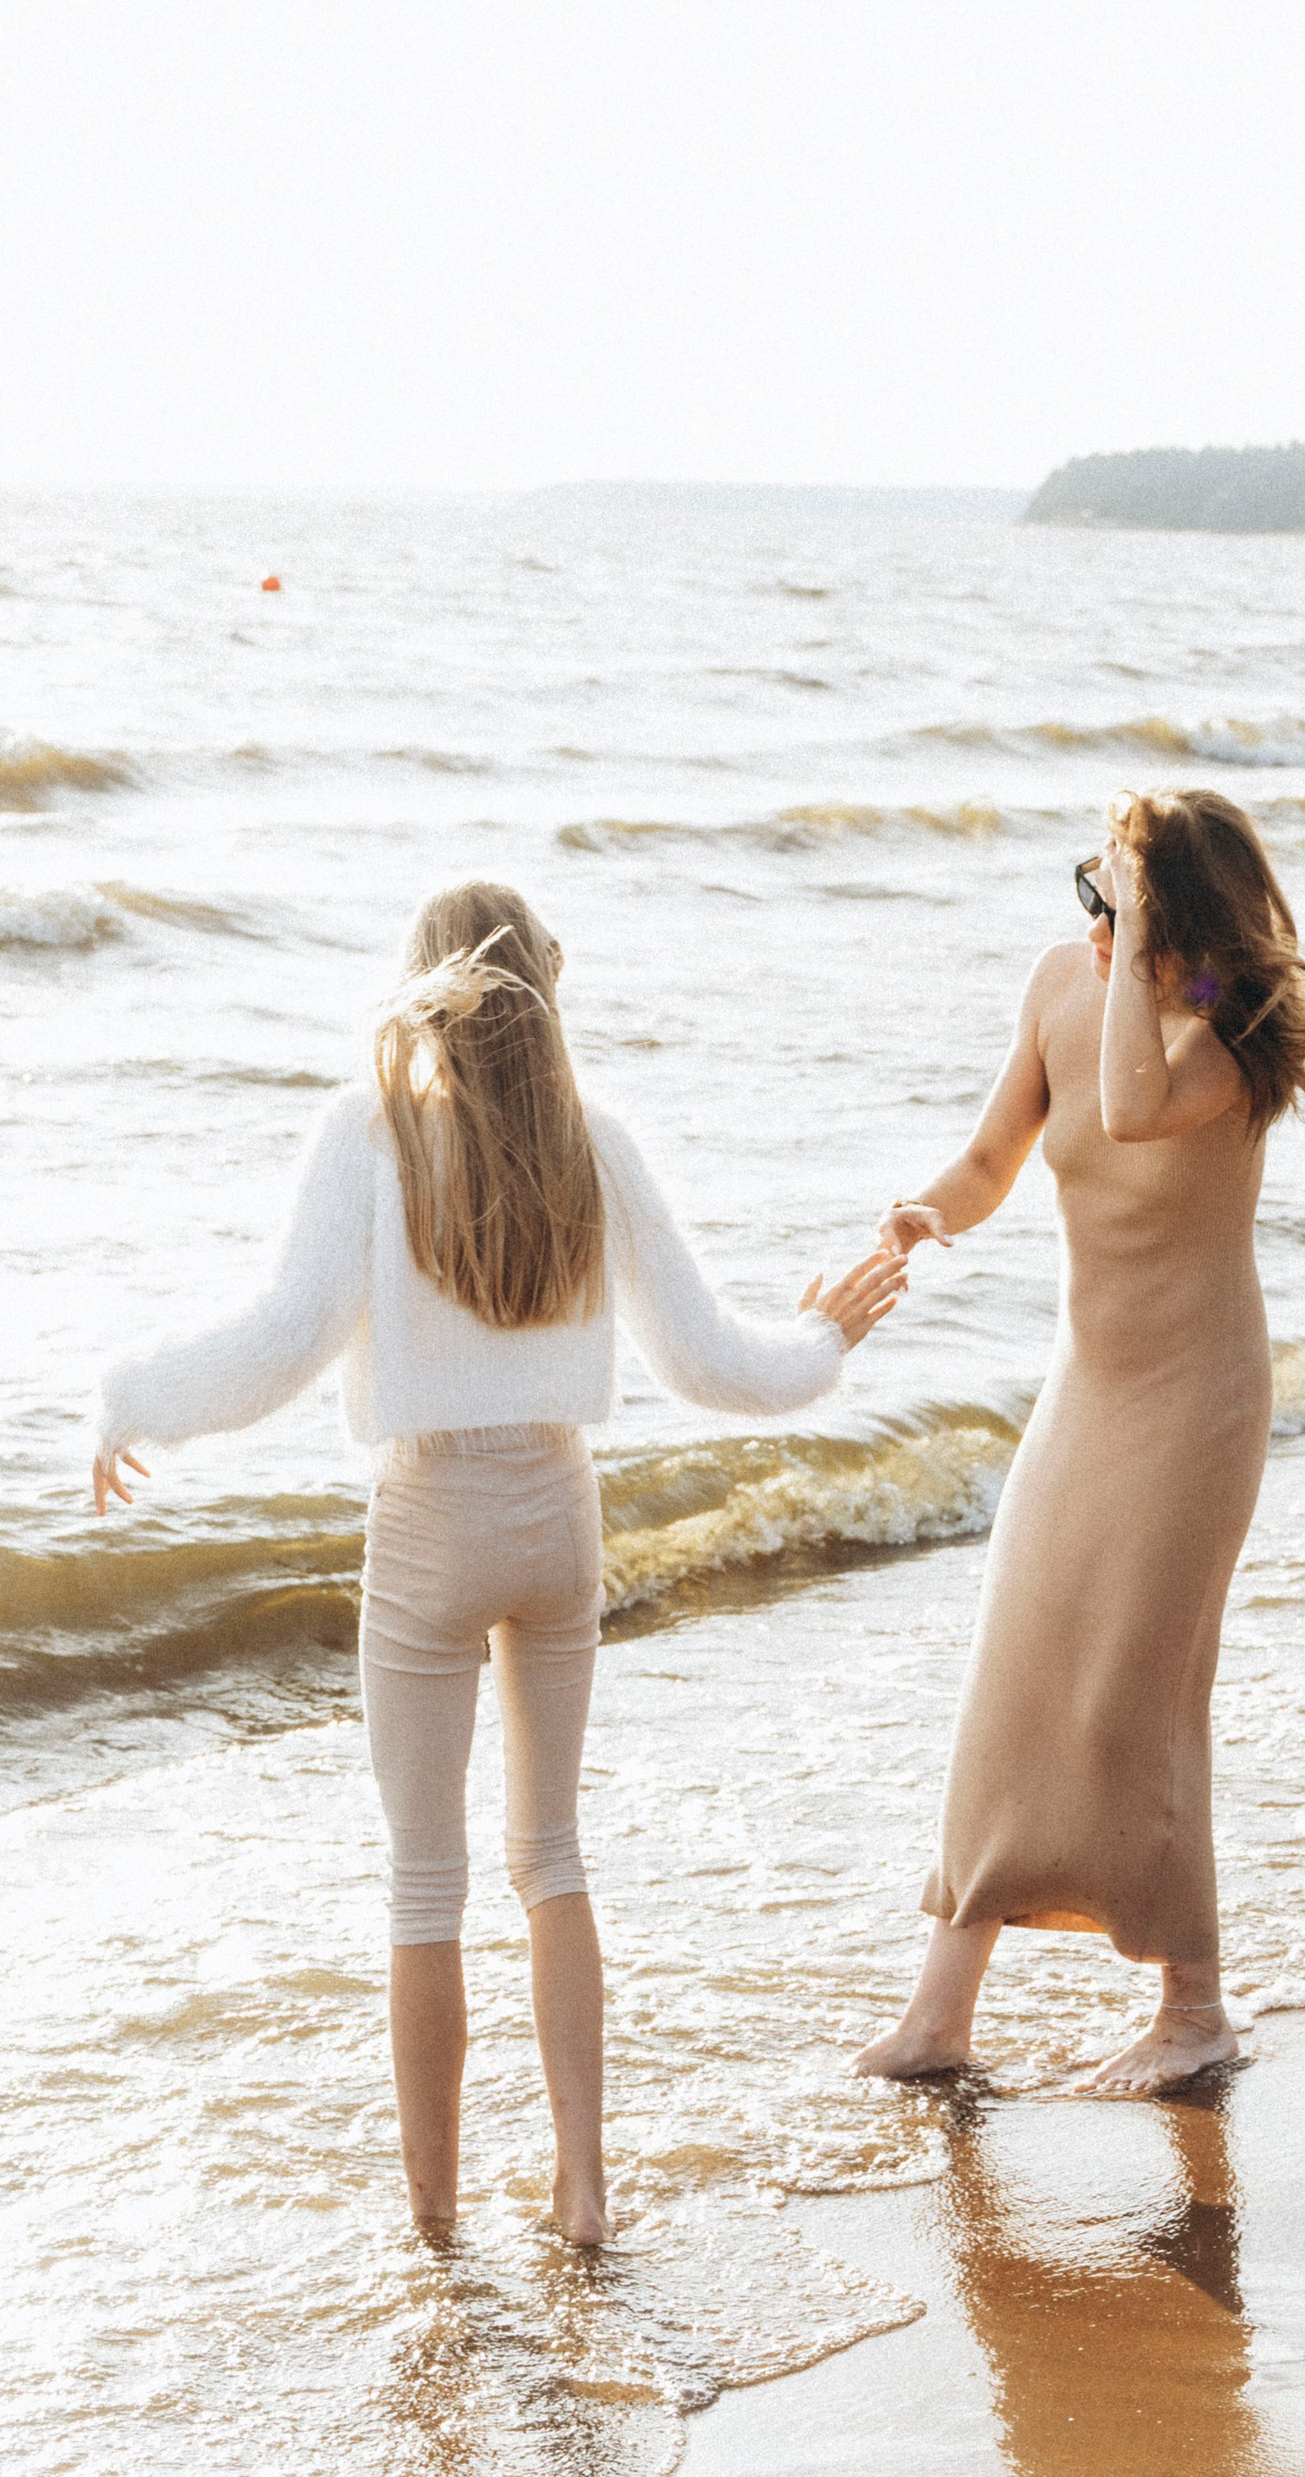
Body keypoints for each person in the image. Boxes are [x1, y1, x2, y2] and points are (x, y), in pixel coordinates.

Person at [93, 878, 905, 2243]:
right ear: (545, 990)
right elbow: (710, 1361)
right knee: (552, 1854)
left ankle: (434, 2225)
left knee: (426, 1879)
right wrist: (824, 1342)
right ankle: (584, 2188)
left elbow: (283, 1340)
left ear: (424, 986)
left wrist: (130, 1396)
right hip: (557, 1515)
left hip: (428, 1524)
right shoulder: (597, 1141)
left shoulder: (369, 1133)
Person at [853, 789, 1305, 2095]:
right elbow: (995, 1154)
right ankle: (940, 2019)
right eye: (1087, 893)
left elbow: (1128, 1110)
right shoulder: (1067, 987)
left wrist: (1137, 942)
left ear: (1178, 914)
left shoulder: (1231, 1023)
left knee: (1145, 1699)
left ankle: (1195, 2011)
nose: (1090, 923)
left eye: (1116, 900)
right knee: (1014, 1678)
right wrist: (921, 1215)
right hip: (1089, 1393)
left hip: (1197, 1406)